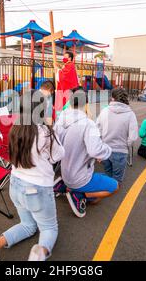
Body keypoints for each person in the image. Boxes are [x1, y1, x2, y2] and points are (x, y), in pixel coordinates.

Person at [0, 93, 65, 261]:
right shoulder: (45, 133)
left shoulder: (15, 129)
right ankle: (39, 253)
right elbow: (58, 155)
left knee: (27, 225)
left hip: (16, 185)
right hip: (38, 189)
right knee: (49, 229)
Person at [53, 88, 119, 218]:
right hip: (79, 177)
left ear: (71, 103)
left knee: (98, 175)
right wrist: (107, 150)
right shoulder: (88, 124)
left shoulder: (61, 119)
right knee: (114, 186)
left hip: (65, 172)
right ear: (87, 105)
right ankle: (79, 194)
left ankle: (65, 185)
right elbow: (96, 150)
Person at [96, 88, 138, 183]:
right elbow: (133, 136)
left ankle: (106, 192)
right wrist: (126, 145)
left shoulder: (104, 111)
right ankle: (113, 191)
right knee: (117, 179)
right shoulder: (130, 114)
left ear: (112, 98)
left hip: (105, 150)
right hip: (121, 151)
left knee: (108, 174)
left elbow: (97, 130)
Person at [54, 51, 80, 116]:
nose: (64, 58)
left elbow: (64, 76)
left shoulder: (70, 65)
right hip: (67, 88)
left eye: (65, 57)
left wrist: (57, 70)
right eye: (64, 57)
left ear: (70, 58)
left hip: (68, 89)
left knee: (66, 106)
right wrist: (59, 69)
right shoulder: (67, 65)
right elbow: (63, 72)